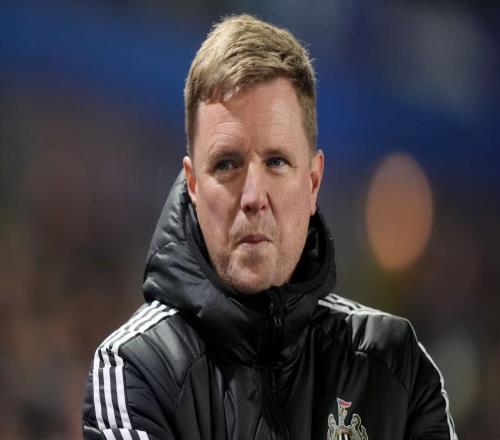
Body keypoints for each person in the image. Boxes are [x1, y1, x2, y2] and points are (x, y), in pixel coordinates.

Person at [82, 14, 458, 440]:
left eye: (276, 162)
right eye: (227, 164)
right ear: (193, 185)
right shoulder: (136, 368)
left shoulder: (394, 366)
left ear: (313, 182)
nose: (253, 196)